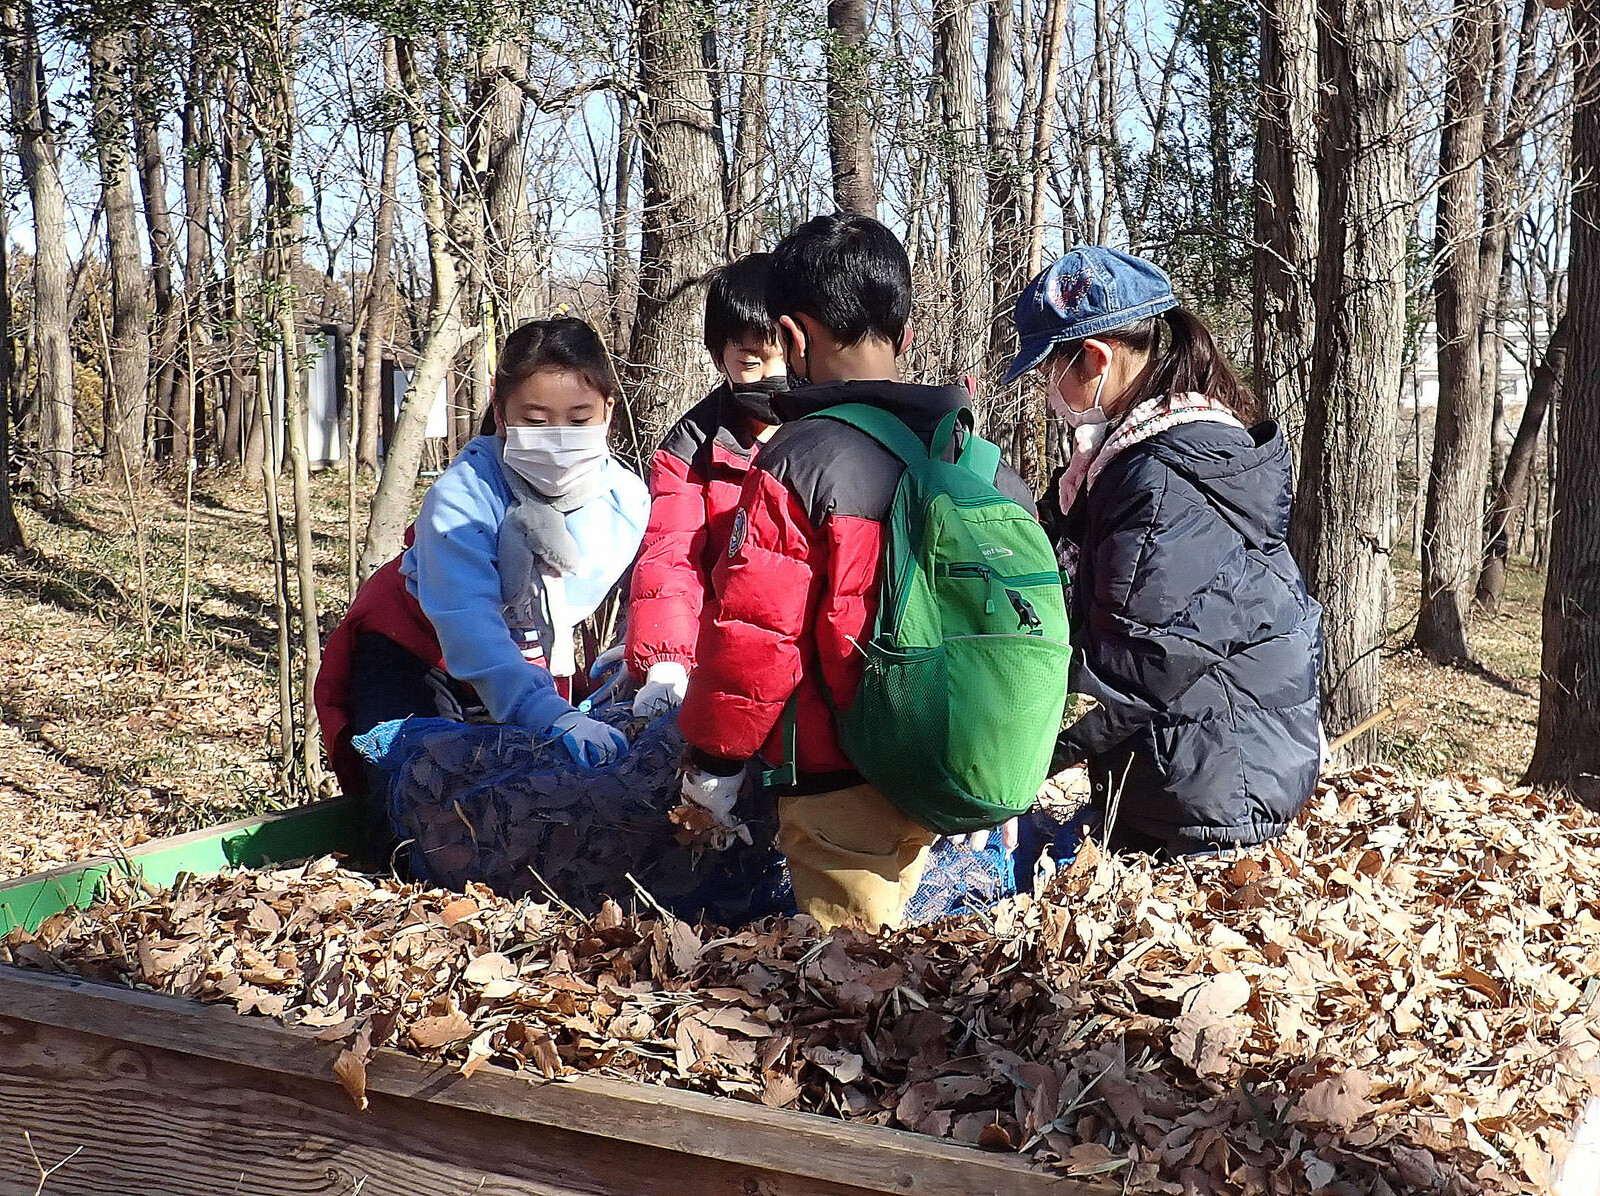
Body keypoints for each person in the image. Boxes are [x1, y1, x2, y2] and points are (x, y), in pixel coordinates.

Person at [675, 213, 1041, 931]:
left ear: (792, 337)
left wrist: (714, 761)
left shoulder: (799, 461)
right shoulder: (986, 466)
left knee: (851, 970)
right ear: (905, 333)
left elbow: (755, 637)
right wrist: (1008, 765)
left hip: (839, 778)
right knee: (937, 961)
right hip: (964, 762)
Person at [1004, 246, 1323, 855]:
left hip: (1211, 794)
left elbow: (1130, 665)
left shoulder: (1163, 481)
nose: (1048, 392)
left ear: (1096, 358)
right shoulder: (1131, 458)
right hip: (1195, 768)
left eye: (1051, 369)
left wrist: (1009, 765)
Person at [315, 316, 650, 843]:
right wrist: (547, 713)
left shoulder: (625, 499)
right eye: (536, 420)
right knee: (421, 813)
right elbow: (468, 624)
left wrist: (647, 655)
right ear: (501, 414)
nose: (558, 438)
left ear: (608, 410)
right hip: (416, 651)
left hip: (527, 667)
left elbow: (651, 583)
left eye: (578, 418)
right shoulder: (462, 496)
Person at [625, 254, 788, 718]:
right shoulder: (690, 449)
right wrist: (667, 662)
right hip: (720, 656)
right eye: (751, 363)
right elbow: (670, 555)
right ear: (720, 360)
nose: (773, 378)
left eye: (785, 359)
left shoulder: (831, 432)